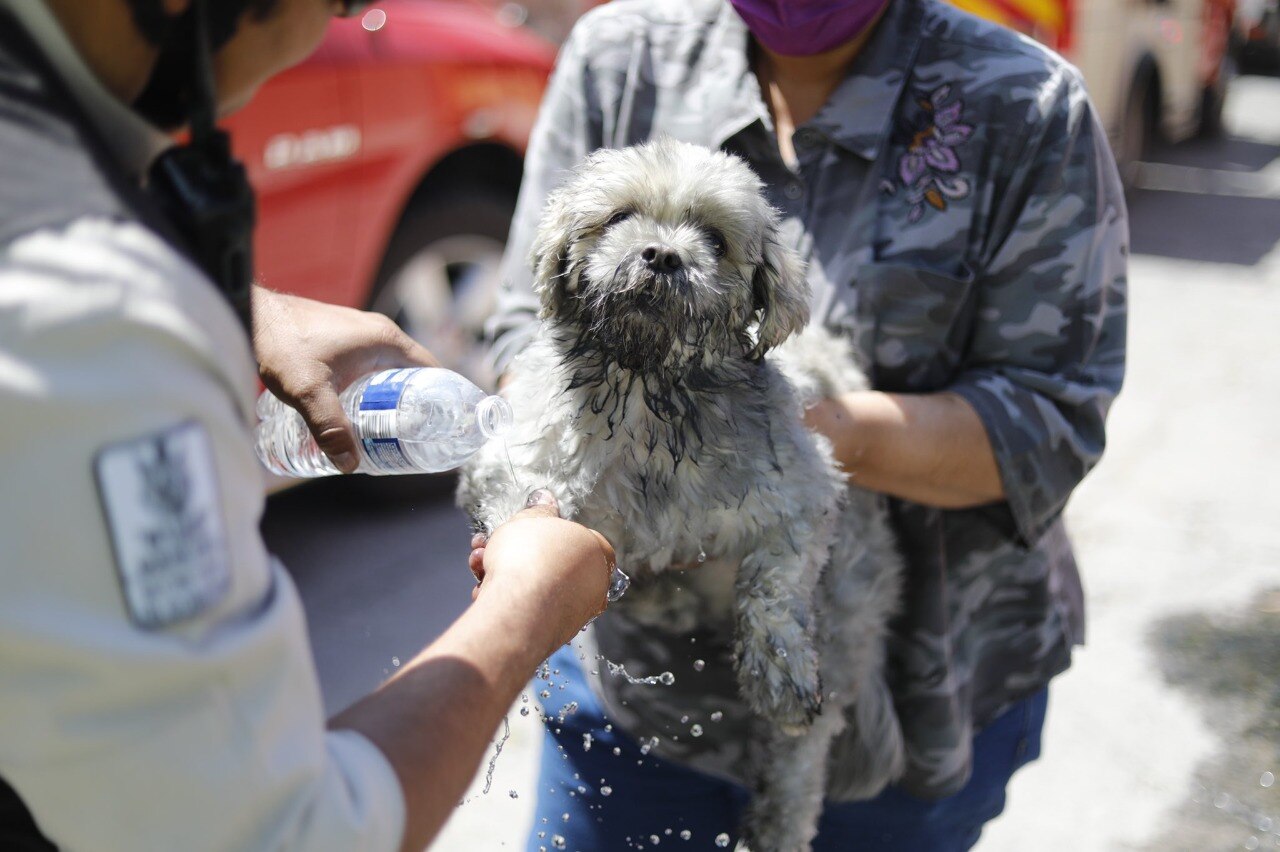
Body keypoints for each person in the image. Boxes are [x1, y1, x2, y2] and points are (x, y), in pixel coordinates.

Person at [487, 0, 1128, 848]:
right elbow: (522, 328)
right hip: (631, 694)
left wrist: (811, 438)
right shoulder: (623, 58)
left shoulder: (1025, 104)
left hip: (902, 707)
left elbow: (1052, 424)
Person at [0, 1, 615, 850]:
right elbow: (273, 833)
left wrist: (236, 310)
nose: (352, 11)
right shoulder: (96, 309)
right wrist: (526, 608)